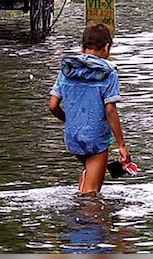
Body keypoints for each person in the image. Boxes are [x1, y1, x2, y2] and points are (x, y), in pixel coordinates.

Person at [47, 22, 131, 195]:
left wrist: (69, 121)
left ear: (81, 47)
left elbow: (53, 105)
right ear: (106, 48)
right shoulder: (108, 73)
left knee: (89, 174)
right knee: (92, 194)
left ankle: (80, 206)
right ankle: (87, 218)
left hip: (73, 136)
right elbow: (110, 110)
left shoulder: (67, 69)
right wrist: (121, 145)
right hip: (95, 138)